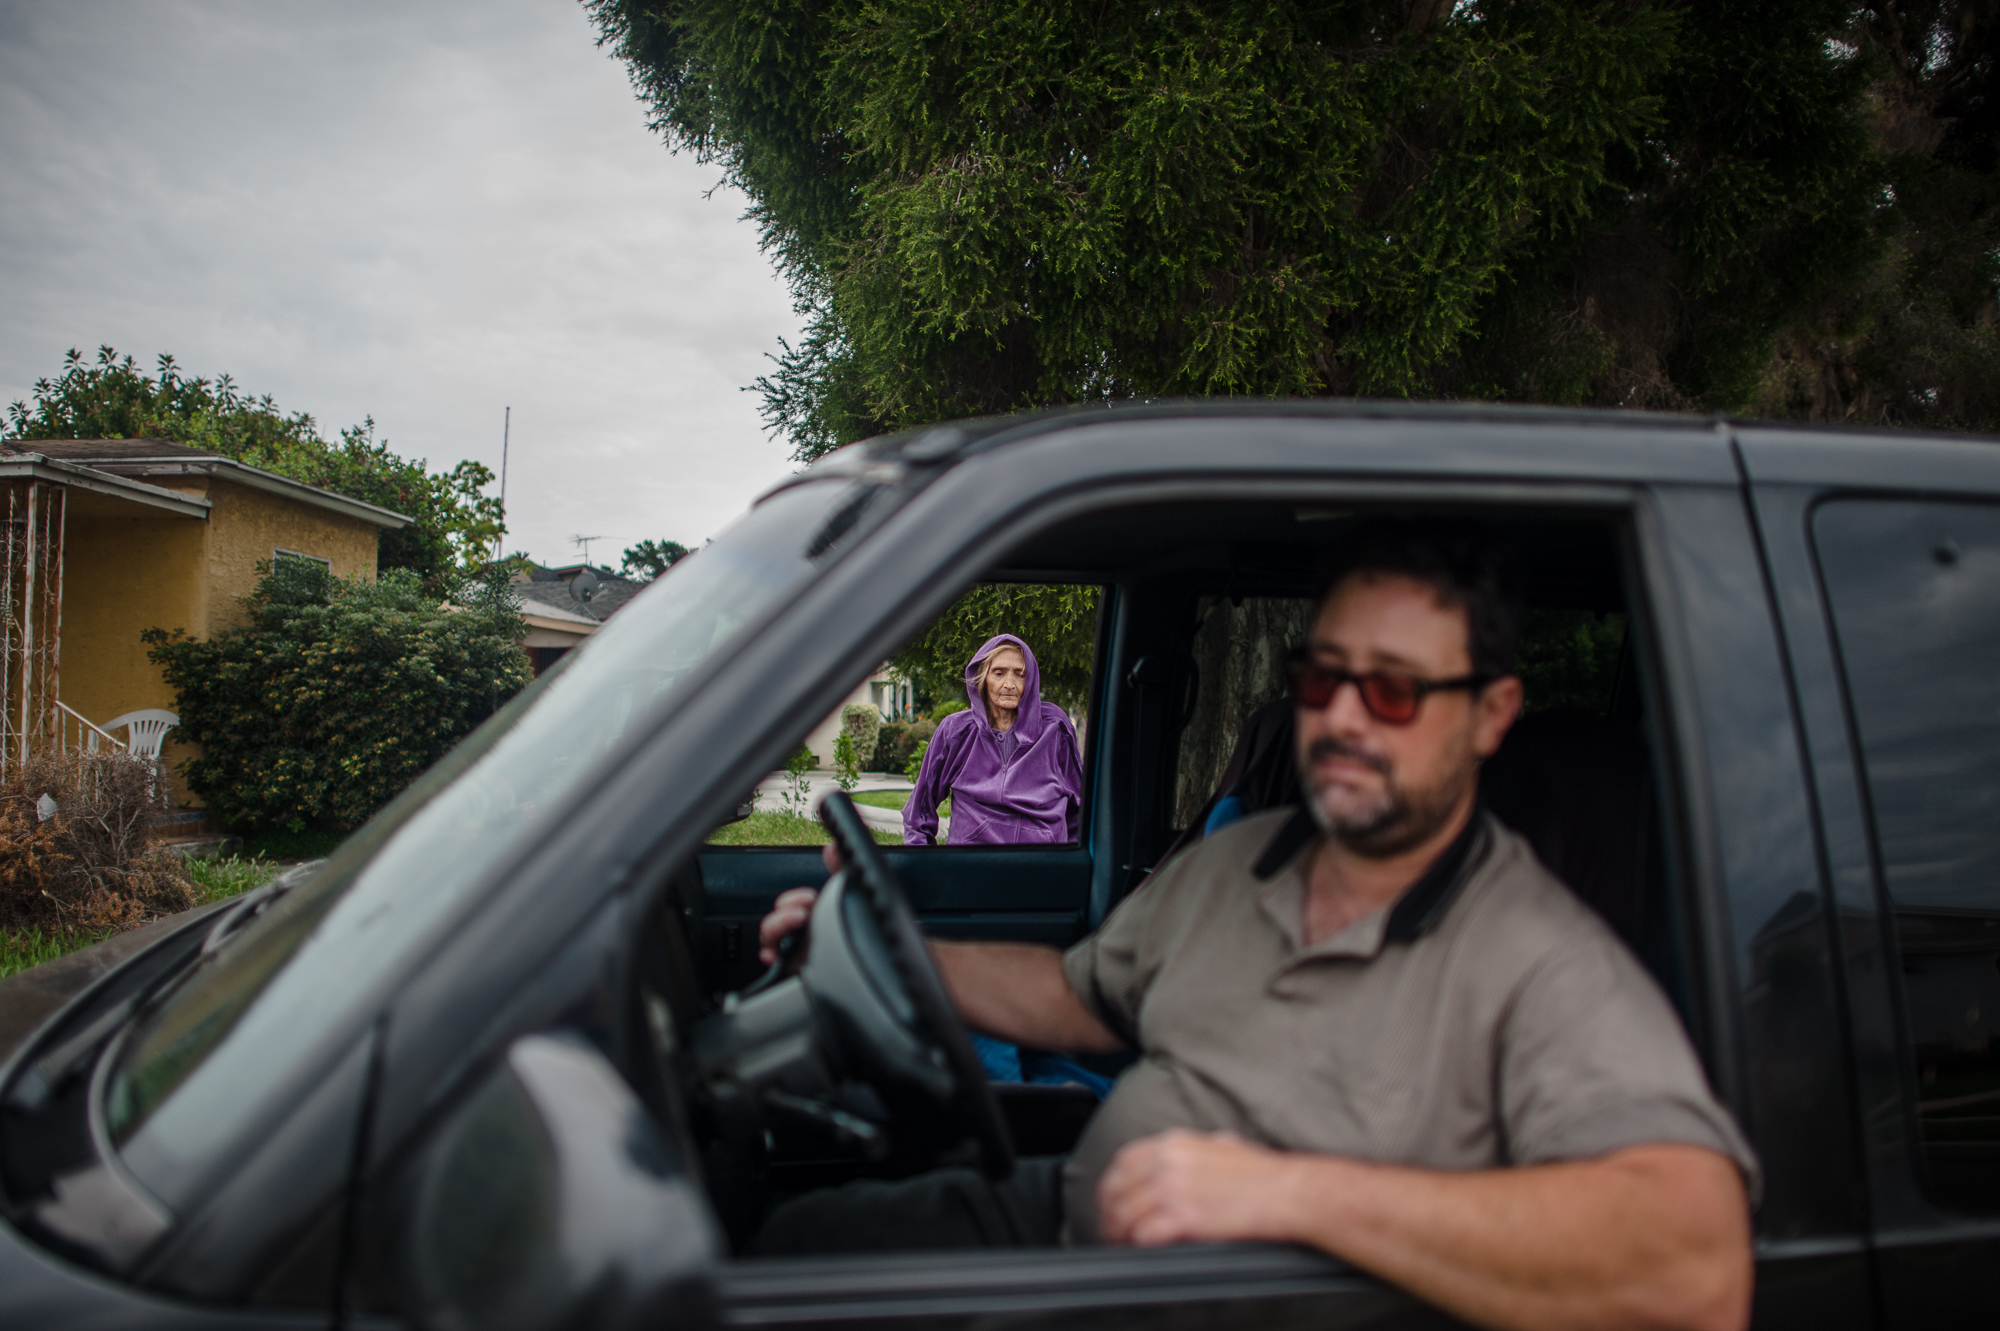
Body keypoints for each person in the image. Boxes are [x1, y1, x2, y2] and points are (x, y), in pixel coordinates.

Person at [756, 526, 1756, 1331]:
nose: (1344, 718)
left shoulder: (1536, 955)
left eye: (1395, 688)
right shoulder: (1243, 861)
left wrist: (1287, 1197)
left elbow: (1694, 1269)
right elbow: (1077, 993)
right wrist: (898, 952)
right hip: (1070, 1218)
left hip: (1230, 1295)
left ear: (1491, 715)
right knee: (782, 1247)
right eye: (1323, 677)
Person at [904, 633, 1082, 847]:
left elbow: (1079, 807)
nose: (1010, 684)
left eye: (1020, 674)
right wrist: (925, 867)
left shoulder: (1055, 728)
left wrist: (1072, 865)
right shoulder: (957, 731)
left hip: (1042, 864)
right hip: (973, 864)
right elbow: (919, 810)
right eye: (999, 673)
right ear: (983, 678)